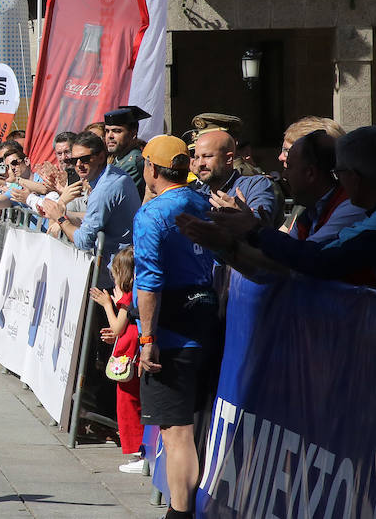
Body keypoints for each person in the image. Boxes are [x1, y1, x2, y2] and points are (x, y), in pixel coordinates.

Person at [179, 126, 376, 286]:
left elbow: (316, 259)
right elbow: (276, 265)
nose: (284, 175)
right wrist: (228, 245)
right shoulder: (310, 212)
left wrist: (254, 231)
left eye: (290, 166)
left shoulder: (355, 211)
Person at [132, 135, 216, 519]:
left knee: (177, 431)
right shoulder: (205, 201)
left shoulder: (152, 214)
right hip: (206, 316)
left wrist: (147, 338)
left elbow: (149, 282)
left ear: (150, 168)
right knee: (190, 429)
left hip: (172, 328)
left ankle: (180, 513)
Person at [41, 132, 139, 286]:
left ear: (101, 157)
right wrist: (64, 213)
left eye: (85, 159)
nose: (79, 164)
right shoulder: (114, 175)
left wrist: (60, 219)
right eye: (74, 160)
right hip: (121, 268)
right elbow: (94, 218)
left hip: (117, 276)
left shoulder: (104, 189)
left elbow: (83, 241)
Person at [90, 246, 143, 473]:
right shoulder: (135, 295)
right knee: (131, 402)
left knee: (129, 403)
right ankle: (139, 451)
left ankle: (138, 451)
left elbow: (118, 326)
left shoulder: (128, 297)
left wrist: (107, 305)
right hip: (132, 351)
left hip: (131, 358)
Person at [189, 128, 282, 227]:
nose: (200, 164)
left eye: (207, 156)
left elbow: (261, 228)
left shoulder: (255, 185)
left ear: (229, 158)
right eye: (197, 157)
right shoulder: (196, 193)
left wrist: (241, 218)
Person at [104, 106, 150, 198]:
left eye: (117, 131)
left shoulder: (132, 163)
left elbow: (109, 196)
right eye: (107, 131)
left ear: (133, 134)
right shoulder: (118, 158)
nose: (110, 136)